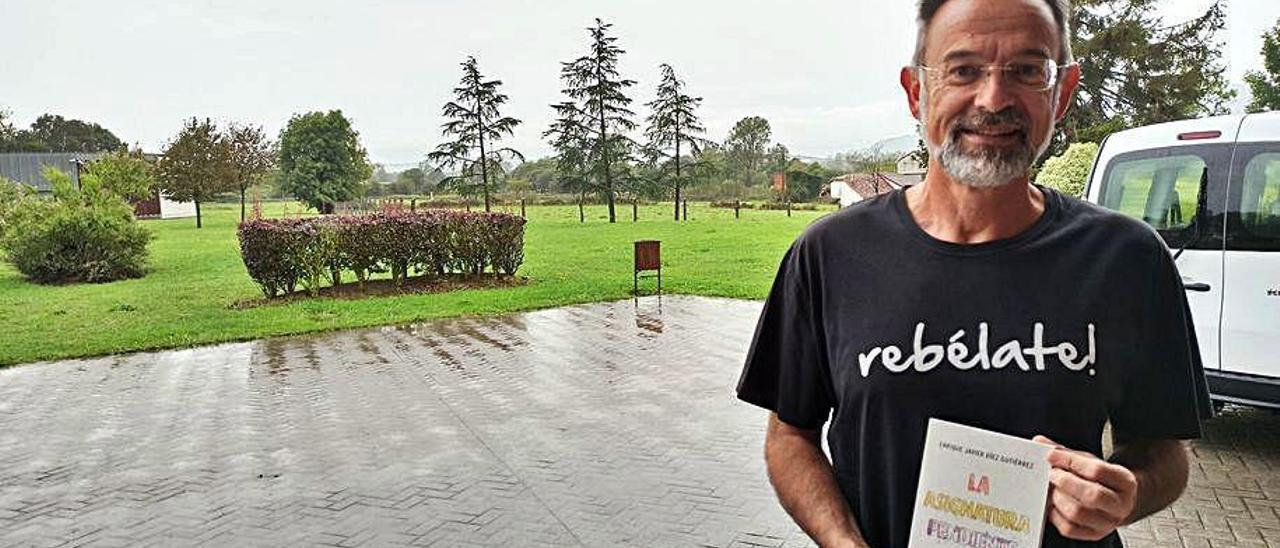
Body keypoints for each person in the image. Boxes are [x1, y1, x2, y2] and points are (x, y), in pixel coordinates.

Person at [734, 0, 1213, 546]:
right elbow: (790, 433)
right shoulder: (828, 254)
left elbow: (1163, 453)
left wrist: (1126, 492)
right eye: (963, 70)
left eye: (1027, 71)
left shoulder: (1127, 259)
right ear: (917, 91)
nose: (994, 98)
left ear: (1063, 92)